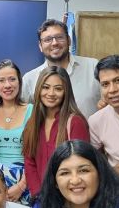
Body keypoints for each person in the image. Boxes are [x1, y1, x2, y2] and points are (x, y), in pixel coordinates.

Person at [22, 66, 90, 197]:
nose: (51, 93)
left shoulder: (75, 122)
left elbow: (82, 165)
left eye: (58, 89)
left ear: (66, 92)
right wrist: (38, 195)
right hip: (41, 198)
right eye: (46, 87)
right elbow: (29, 162)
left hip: (69, 197)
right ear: (39, 89)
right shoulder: (32, 122)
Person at [22, 19, 100, 119]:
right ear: (40, 46)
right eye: (48, 39)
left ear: (69, 40)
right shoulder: (29, 79)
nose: (54, 43)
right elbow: (19, 114)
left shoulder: (93, 67)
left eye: (59, 37)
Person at [0, 59, 32, 205]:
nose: (7, 85)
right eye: (1, 80)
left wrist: (21, 186)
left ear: (19, 82)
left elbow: (37, 153)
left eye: (12, 79)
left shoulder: (32, 111)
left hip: (25, 178)